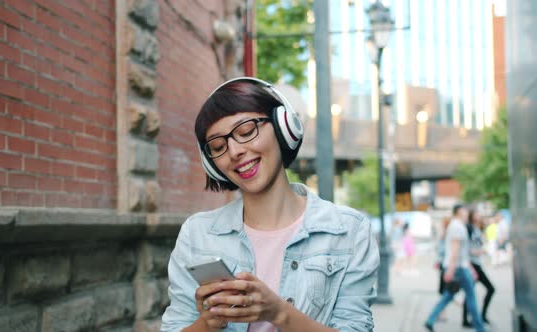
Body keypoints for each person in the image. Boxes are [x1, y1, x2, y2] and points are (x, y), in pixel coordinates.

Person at [161, 77, 380, 332]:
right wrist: (207, 324)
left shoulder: (349, 232)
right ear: (212, 164)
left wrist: (278, 313)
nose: (234, 152)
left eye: (246, 132)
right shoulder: (196, 235)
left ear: (282, 126)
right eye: (219, 146)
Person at [425, 204, 485, 332]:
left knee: (448, 295)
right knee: (471, 296)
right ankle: (480, 327)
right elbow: (455, 250)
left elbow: (460, 252)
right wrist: (451, 270)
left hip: (458, 267)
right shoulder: (458, 227)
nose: (467, 213)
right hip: (459, 268)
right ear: (459, 212)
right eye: (464, 211)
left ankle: (430, 319)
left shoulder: (456, 226)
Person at [462, 210, 495, 327]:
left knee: (471, 292)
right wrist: (480, 251)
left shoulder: (478, 229)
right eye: (476, 214)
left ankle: (474, 318)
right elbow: (467, 248)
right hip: (473, 264)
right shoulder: (469, 229)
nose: (479, 216)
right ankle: (475, 318)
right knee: (489, 289)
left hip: (477, 264)